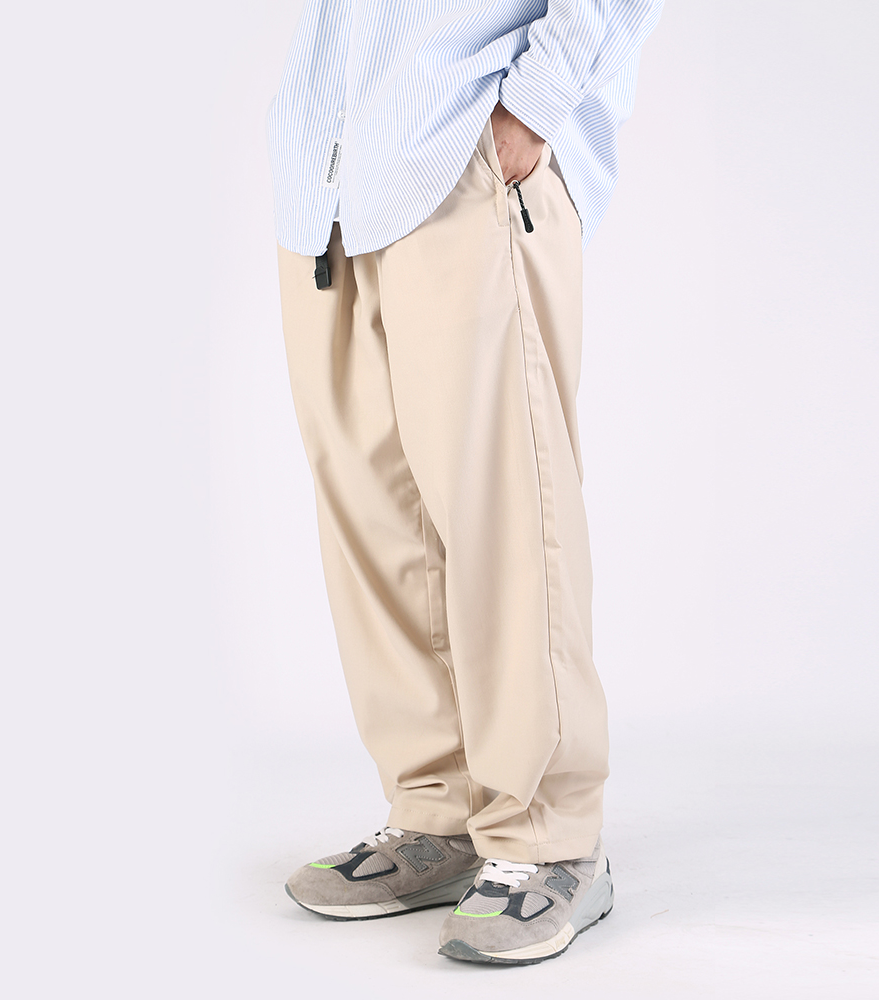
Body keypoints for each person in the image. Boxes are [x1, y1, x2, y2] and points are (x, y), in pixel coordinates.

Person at [267, 0, 663, 966]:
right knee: (375, 520)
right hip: (332, 173)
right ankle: (437, 812)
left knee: (504, 511)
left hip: (462, 145)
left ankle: (550, 837)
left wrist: (533, 107)